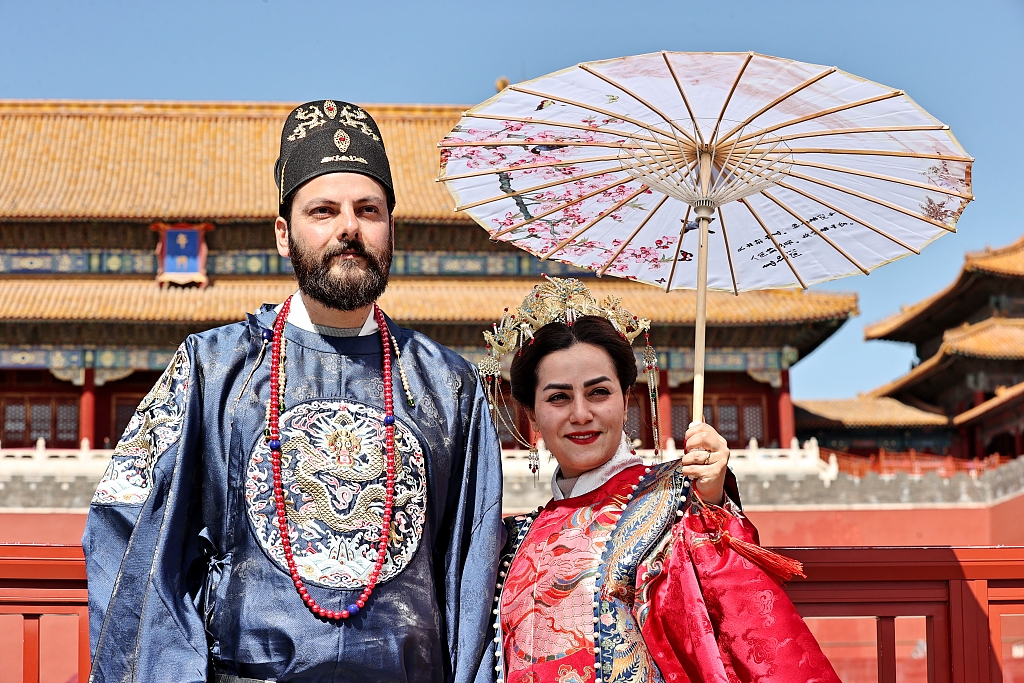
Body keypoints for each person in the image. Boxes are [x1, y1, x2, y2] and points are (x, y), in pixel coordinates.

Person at [84, 100, 504, 683]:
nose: (348, 228)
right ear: (284, 233)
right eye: (323, 210)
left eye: (368, 210)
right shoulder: (212, 371)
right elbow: (131, 537)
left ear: (391, 228)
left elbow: (472, 566)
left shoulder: (448, 386)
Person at [475, 277, 840, 683]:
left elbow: (734, 615)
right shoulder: (516, 538)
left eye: (598, 393)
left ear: (626, 398)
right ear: (531, 412)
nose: (580, 414)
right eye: (558, 397)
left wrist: (710, 500)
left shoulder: (673, 502)